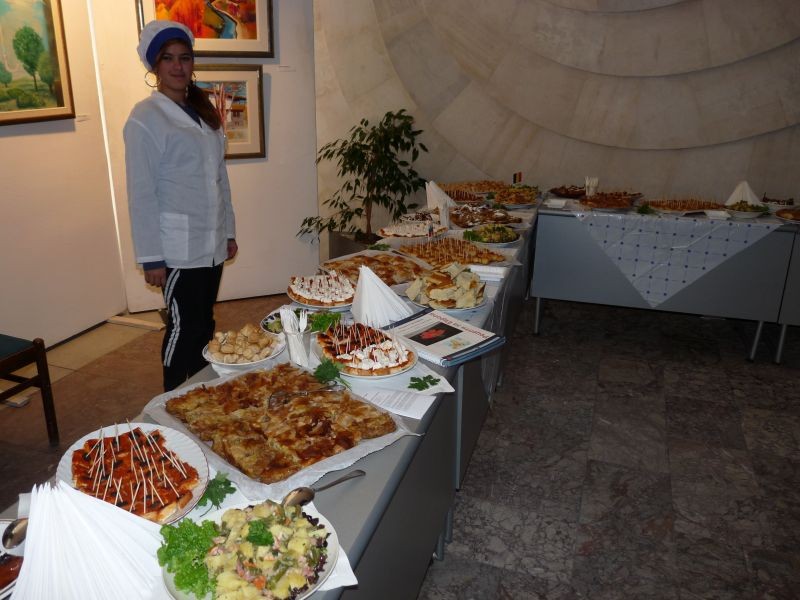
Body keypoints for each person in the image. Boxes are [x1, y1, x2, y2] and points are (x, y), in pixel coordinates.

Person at [124, 20, 237, 391]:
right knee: (182, 328)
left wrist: (229, 232)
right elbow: (141, 192)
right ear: (155, 66)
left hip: (211, 242)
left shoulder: (204, 111)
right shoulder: (145, 117)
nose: (177, 66)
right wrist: (151, 257)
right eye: (168, 58)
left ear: (192, 63)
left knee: (204, 323)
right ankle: (171, 399)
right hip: (176, 249)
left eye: (184, 58)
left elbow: (219, 180)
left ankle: (200, 393)